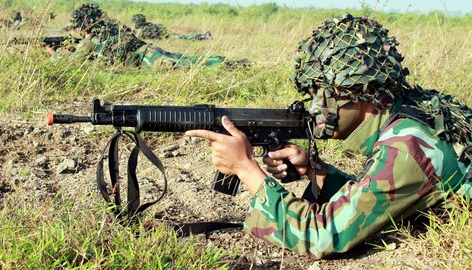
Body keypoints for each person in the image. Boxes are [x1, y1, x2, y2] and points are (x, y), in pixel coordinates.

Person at [185, 14, 471, 259]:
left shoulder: (406, 146)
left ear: (366, 92)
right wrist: (315, 170)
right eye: (312, 94)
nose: (314, 107)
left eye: (327, 94)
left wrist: (245, 168)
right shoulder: (408, 115)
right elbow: (374, 198)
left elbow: (323, 236)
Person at [48, 4, 247, 68]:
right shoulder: (111, 27)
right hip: (151, 50)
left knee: (184, 65)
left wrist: (53, 53)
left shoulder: (90, 41)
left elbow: (70, 63)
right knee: (186, 59)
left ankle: (226, 64)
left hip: (148, 58)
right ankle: (224, 61)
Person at [131, 13, 212, 41]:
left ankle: (204, 36)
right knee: (183, 37)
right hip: (168, 34)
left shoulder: (146, 29)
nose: (134, 25)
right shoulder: (147, 26)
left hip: (169, 36)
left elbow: (142, 37)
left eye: (135, 23)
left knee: (184, 38)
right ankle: (203, 36)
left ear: (140, 23)